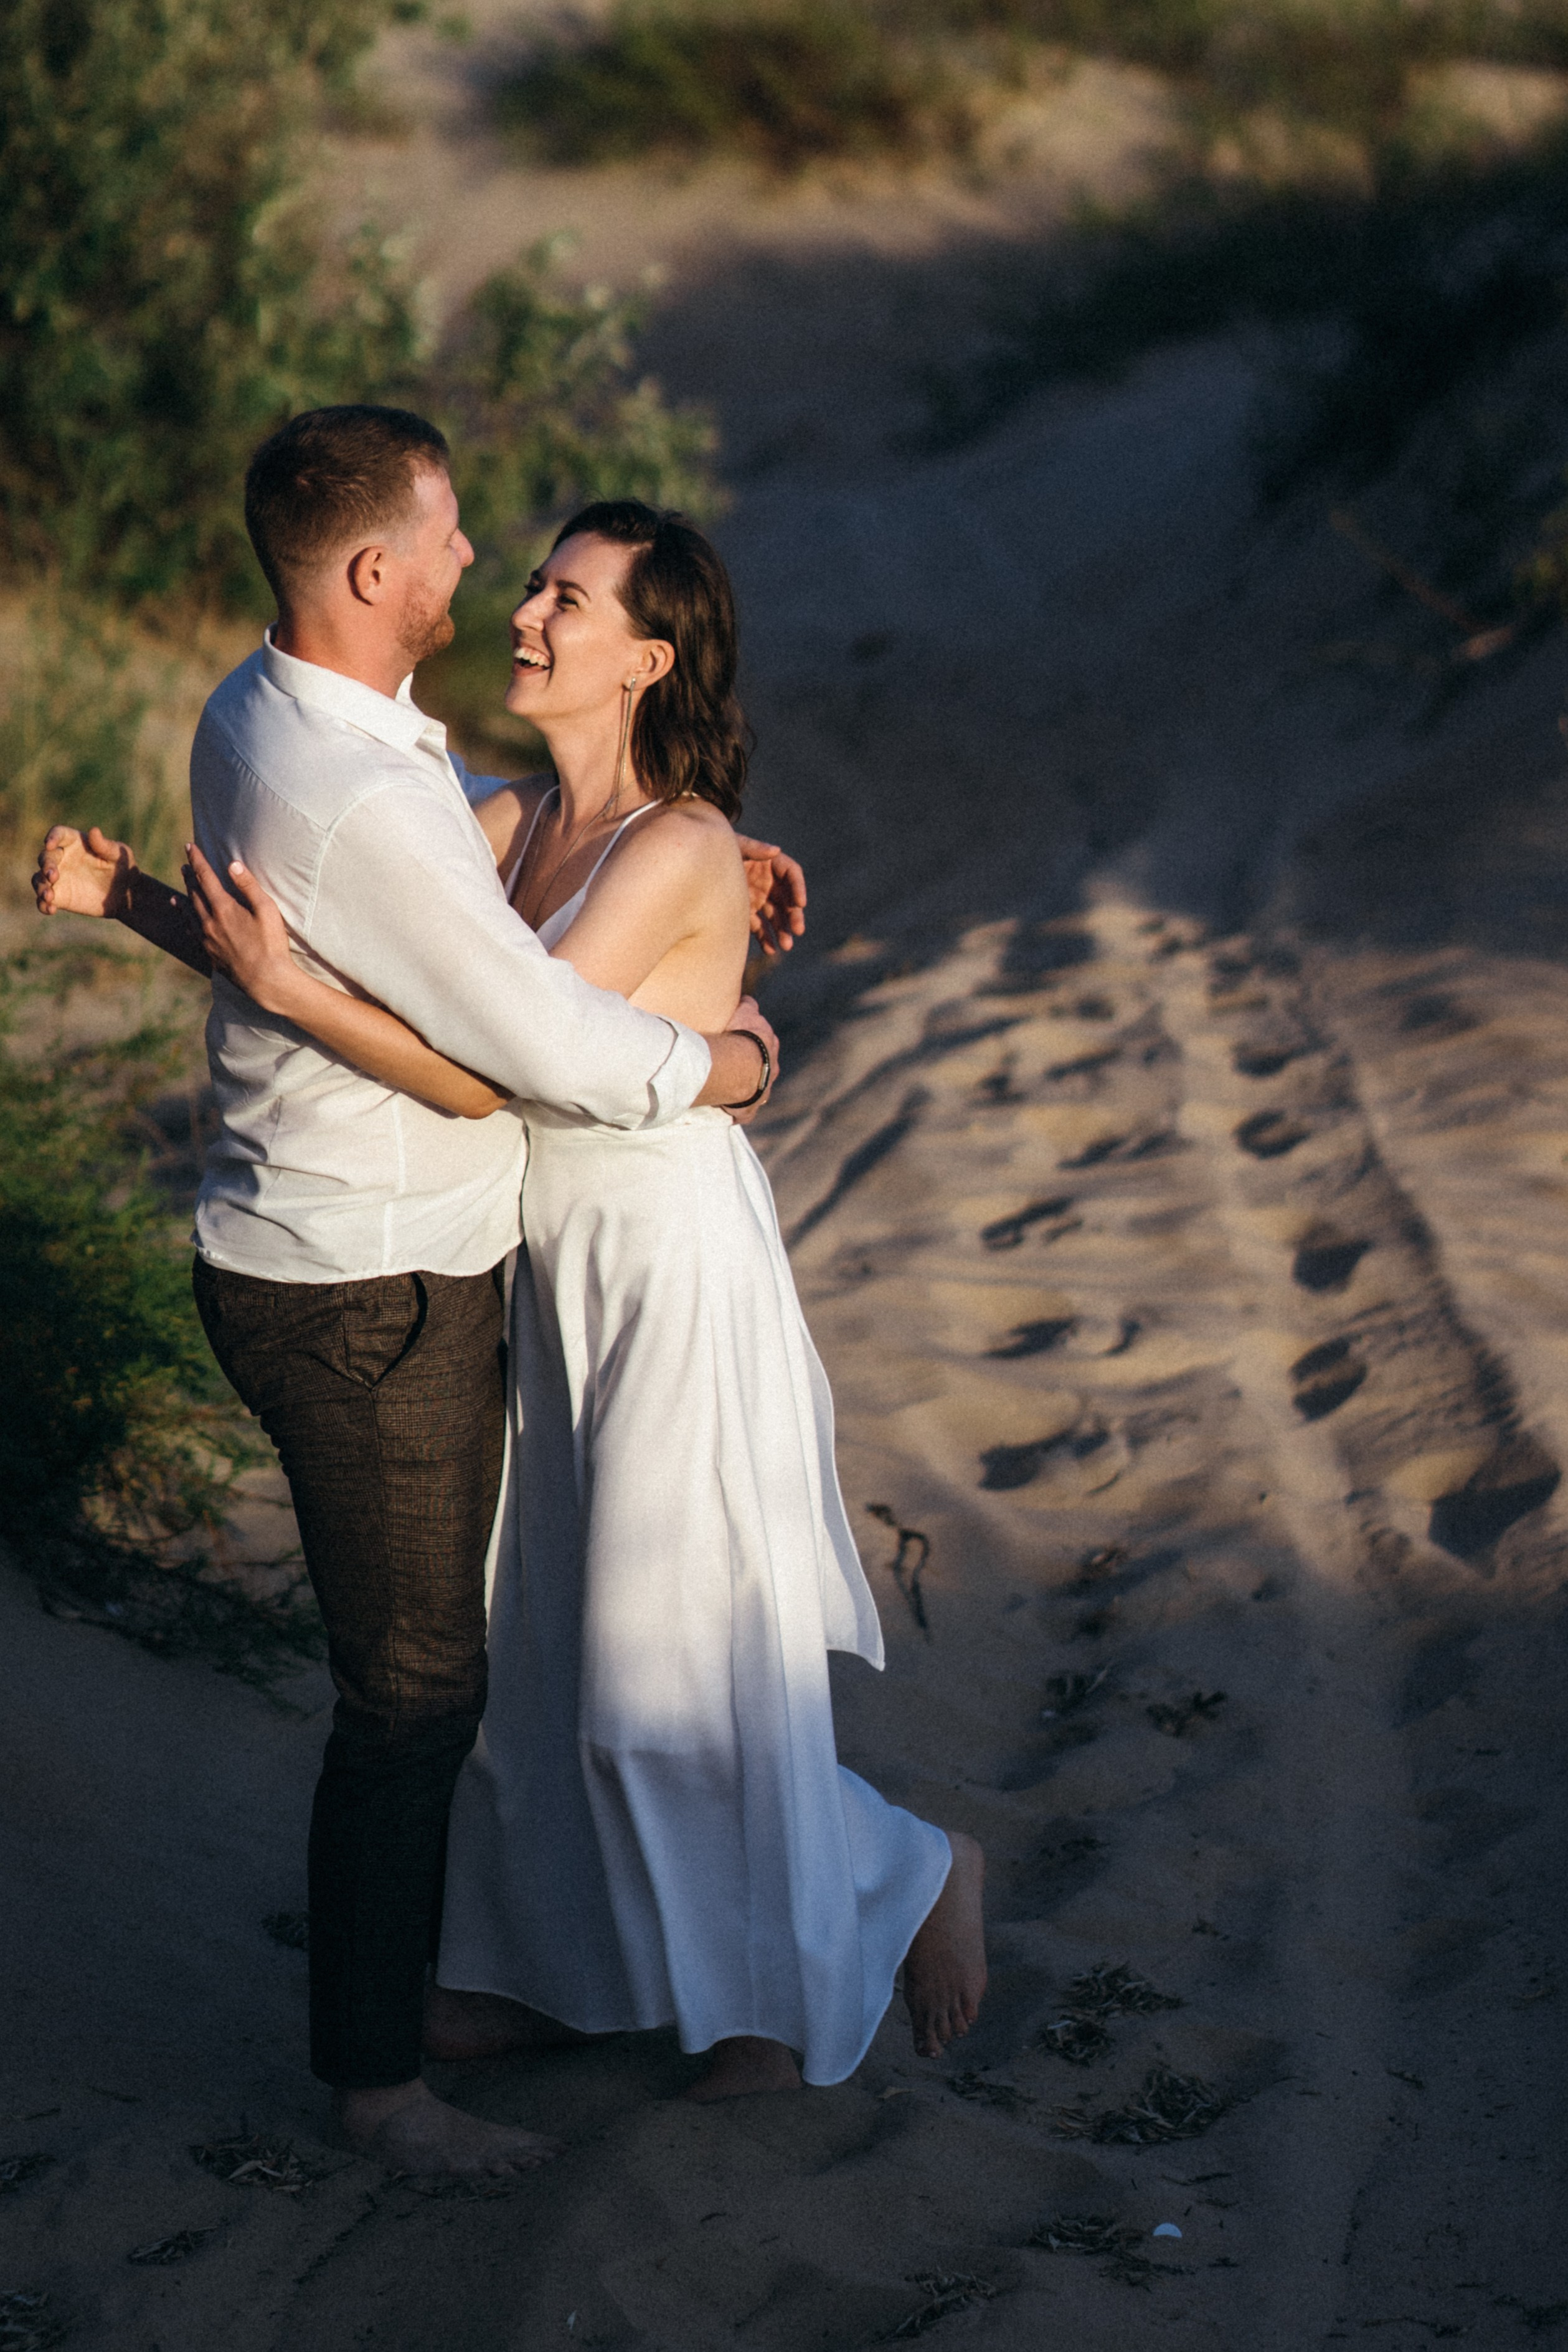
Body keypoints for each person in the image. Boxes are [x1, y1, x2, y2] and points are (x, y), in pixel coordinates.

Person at [45, 494, 988, 2105]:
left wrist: (742, 1051)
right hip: (534, 1268)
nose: (529, 616)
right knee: (546, 1649)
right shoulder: (496, 823)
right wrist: (142, 906)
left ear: (649, 654)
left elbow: (500, 1042)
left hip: (661, 1274)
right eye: (533, 585)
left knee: (666, 1652)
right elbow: (364, 982)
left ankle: (904, 1871)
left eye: (567, 597)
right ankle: (566, 1972)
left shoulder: (683, 844)